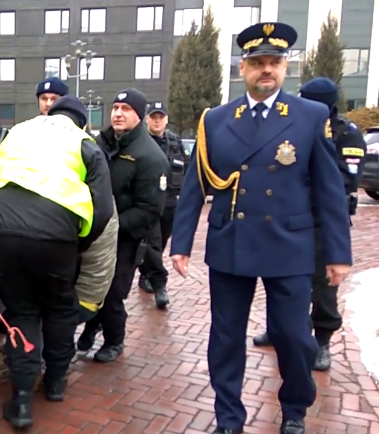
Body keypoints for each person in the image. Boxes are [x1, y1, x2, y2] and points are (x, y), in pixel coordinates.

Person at [169, 23, 353, 434]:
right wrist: (180, 243)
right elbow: (196, 186)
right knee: (226, 338)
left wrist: (339, 253)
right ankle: (229, 419)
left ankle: (294, 410)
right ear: (242, 68)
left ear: (285, 67)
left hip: (288, 244)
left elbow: (329, 190)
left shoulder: (310, 116)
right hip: (231, 241)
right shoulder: (215, 120)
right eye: (257, 63)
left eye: (274, 62)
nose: (266, 70)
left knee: (293, 337)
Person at [0, 96, 114, 429]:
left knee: (22, 311)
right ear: (82, 122)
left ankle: (21, 402)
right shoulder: (84, 142)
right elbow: (104, 209)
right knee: (60, 308)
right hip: (54, 234)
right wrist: (77, 242)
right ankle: (55, 383)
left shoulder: (18, 131)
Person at [252, 77, 366, 372]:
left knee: (323, 284)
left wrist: (299, 186)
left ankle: (322, 341)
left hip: (322, 222)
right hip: (288, 219)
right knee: (279, 276)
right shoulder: (293, 125)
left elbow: (347, 178)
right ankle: (279, 329)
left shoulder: (346, 133)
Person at [77, 89, 170, 363]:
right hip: (92, 232)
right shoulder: (99, 143)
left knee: (113, 291)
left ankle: (114, 341)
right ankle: (93, 324)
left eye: (126, 109)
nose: (118, 113)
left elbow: (150, 209)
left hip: (124, 238)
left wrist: (110, 226)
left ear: (138, 116)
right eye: (115, 107)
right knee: (89, 286)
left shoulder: (150, 156)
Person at [137, 101, 187, 308]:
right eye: (153, 117)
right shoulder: (140, 141)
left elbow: (186, 167)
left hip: (169, 202)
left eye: (161, 117)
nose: (157, 121)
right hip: (149, 202)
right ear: (147, 118)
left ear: (166, 119)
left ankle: (146, 273)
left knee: (162, 241)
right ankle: (160, 286)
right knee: (153, 242)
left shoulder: (175, 142)